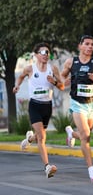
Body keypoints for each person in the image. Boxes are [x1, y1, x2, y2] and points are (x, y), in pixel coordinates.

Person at [61, 35, 93, 184]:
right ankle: (92, 171)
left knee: (87, 131)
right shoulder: (71, 62)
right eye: (87, 44)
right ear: (80, 46)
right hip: (77, 102)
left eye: (92, 45)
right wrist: (63, 81)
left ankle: (71, 133)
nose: (90, 47)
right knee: (87, 136)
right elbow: (61, 77)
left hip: (92, 102)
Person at [13, 42, 64, 178]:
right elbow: (20, 77)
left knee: (39, 135)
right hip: (34, 105)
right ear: (36, 55)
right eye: (43, 52)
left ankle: (30, 139)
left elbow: (62, 86)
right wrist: (17, 86)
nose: (46, 55)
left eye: (48, 52)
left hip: (47, 106)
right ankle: (47, 167)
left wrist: (54, 82)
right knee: (42, 137)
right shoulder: (30, 69)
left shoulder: (53, 69)